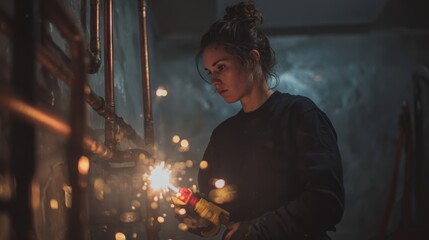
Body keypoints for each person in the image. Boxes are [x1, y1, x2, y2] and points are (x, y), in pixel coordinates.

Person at [180, 1, 345, 240]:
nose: (214, 80)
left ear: (252, 59)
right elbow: (219, 210)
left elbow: (326, 201)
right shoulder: (223, 136)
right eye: (209, 72)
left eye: (221, 67)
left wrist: (259, 229)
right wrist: (196, 215)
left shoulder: (299, 115)